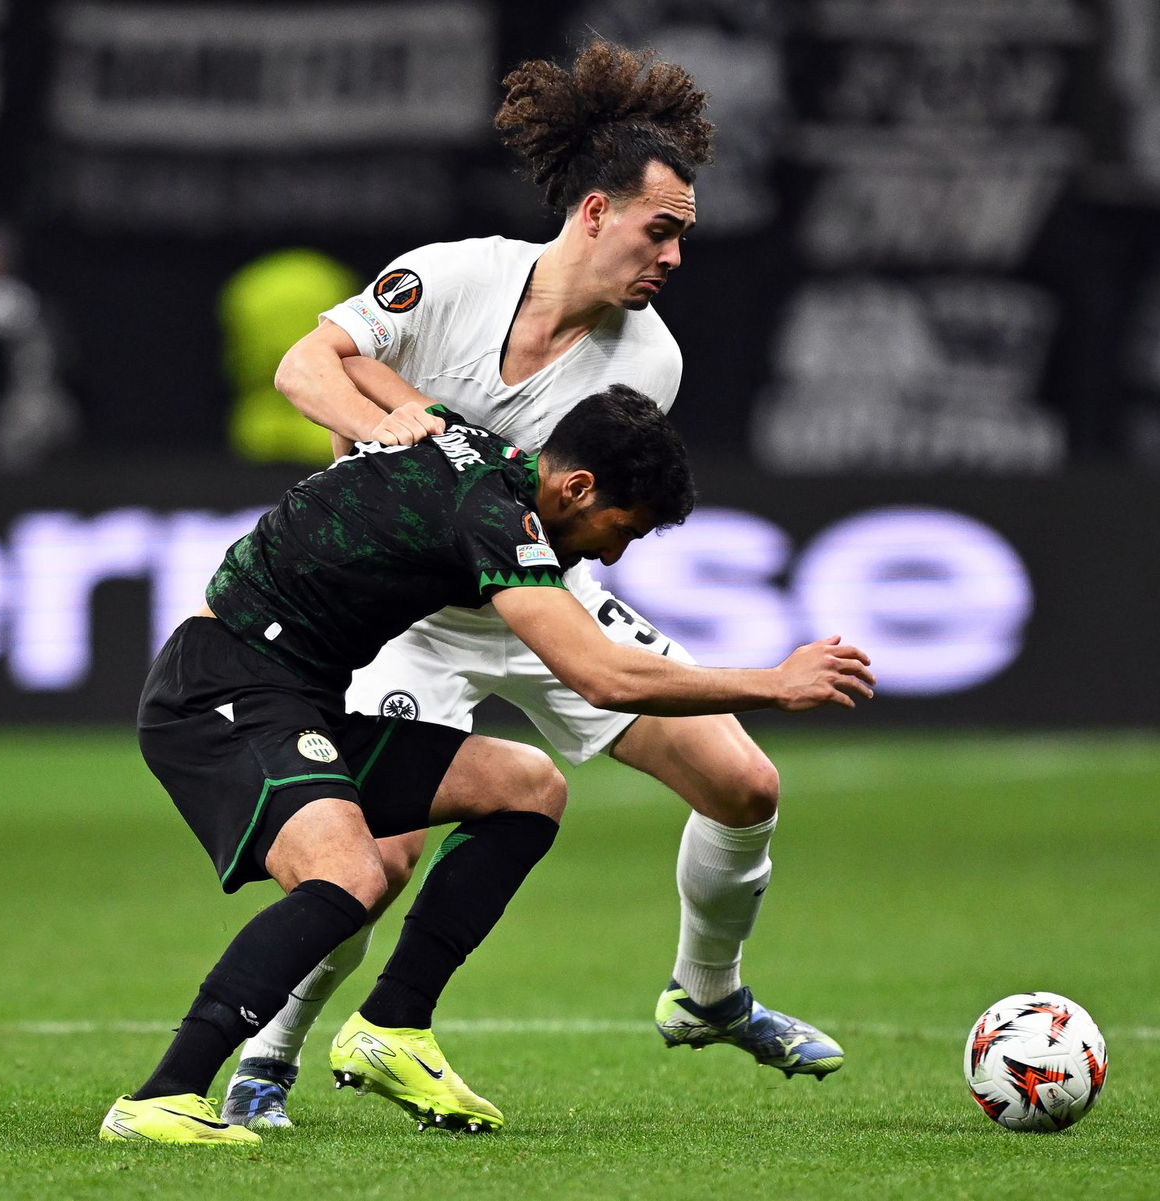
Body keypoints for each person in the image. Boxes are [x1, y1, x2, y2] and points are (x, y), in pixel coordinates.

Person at [224, 39, 846, 1129]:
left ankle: (706, 994)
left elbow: (558, 513)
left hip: (530, 599)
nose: (674, 258)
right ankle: (265, 1061)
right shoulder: (455, 276)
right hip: (404, 617)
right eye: (663, 230)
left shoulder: (648, 363)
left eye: (686, 238)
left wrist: (420, 443)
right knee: (369, 857)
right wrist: (387, 426)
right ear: (597, 212)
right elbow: (301, 367)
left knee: (746, 786)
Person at [99, 389, 875, 1145]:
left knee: (527, 786)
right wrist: (775, 682)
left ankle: (392, 1022)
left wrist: (384, 412)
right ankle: (164, 1095)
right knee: (351, 877)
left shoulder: (486, 458)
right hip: (224, 689)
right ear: (577, 486)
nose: (611, 553)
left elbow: (364, 405)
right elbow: (601, 676)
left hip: (304, 698)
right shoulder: (491, 512)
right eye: (621, 530)